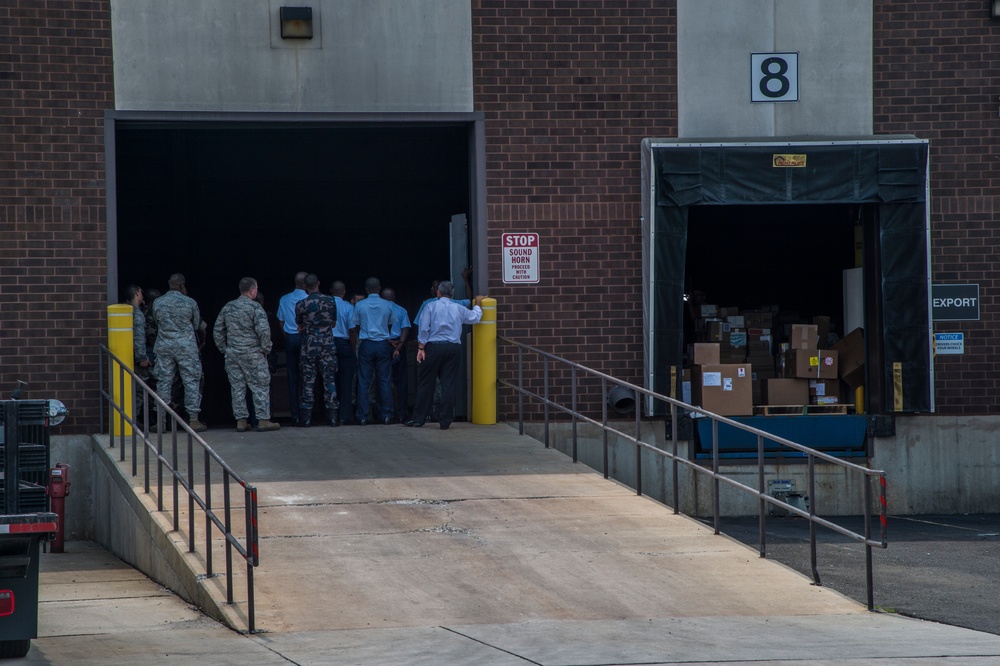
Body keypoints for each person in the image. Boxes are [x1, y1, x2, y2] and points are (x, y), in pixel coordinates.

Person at [406, 282, 484, 430]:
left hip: (433, 347)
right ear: (452, 294)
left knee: (426, 383)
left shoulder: (430, 306)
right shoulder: (459, 308)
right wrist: (478, 303)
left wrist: (421, 347)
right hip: (453, 348)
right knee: (448, 384)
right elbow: (475, 318)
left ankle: (418, 418)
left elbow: (423, 328)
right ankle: (445, 421)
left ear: (438, 293)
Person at [213, 277, 280, 432]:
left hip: (233, 355)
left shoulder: (228, 307)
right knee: (260, 386)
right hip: (253, 354)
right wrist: (266, 348)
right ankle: (263, 420)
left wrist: (225, 349)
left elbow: (217, 330)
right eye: (256, 289)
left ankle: (241, 421)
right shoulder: (255, 308)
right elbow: (264, 330)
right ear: (252, 290)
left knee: (237, 388)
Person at [152, 273, 208, 432]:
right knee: (191, 381)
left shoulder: (158, 302)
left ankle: (161, 421)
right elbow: (197, 324)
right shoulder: (190, 302)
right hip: (186, 348)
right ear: (182, 285)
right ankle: (193, 419)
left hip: (164, 346)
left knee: (163, 381)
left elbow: (156, 322)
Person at [349, 277, 398, 425]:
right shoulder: (388, 305)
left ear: (366, 289)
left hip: (367, 344)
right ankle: (387, 415)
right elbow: (392, 322)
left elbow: (354, 325)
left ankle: (363, 416)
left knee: (364, 381)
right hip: (383, 344)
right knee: (384, 380)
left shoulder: (360, 305)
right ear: (379, 288)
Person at [295, 273, 340, 427]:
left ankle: (306, 419)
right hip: (327, 347)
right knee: (330, 382)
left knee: (308, 383)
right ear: (318, 283)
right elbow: (333, 323)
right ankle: (333, 418)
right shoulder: (331, 301)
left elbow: (299, 325)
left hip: (309, 348)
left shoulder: (301, 304)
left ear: (304, 287)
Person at [277, 272, 308, 425]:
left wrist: (288, 337)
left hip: (291, 338)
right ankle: (307, 414)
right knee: (307, 377)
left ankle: (295, 415)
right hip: (306, 339)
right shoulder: (309, 300)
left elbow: (281, 322)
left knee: (292, 377)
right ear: (305, 284)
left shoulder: (285, 299)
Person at [381, 287, 411, 423]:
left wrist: (388, 341)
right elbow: (405, 330)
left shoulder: (379, 309)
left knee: (383, 380)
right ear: (394, 297)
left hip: (383, 345)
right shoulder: (401, 310)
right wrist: (398, 347)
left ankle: (385, 414)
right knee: (401, 381)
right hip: (399, 345)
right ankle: (402, 414)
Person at [330, 280, 357, 426]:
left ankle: (330, 414)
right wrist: (353, 350)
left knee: (329, 381)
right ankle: (344, 415)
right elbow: (352, 330)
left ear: (330, 291)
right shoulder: (348, 307)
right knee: (346, 383)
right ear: (344, 292)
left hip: (327, 345)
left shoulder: (326, 305)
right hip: (344, 344)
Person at [125, 284, 151, 379]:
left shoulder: (126, 310)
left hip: (127, 354)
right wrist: (142, 358)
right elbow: (138, 336)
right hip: (136, 358)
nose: (142, 295)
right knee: (140, 388)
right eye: (141, 292)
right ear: (136, 293)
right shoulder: (136, 313)